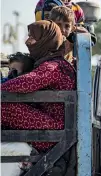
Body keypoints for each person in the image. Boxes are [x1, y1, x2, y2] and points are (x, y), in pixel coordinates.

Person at [1, 20, 76, 153]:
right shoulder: (50, 62)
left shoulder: (54, 66)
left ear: (45, 40)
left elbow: (27, 82)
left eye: (32, 38)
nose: (27, 42)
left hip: (55, 131)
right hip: (50, 125)